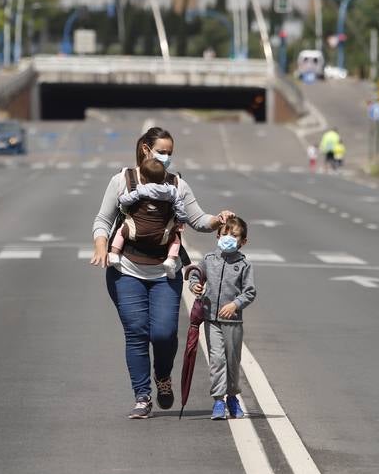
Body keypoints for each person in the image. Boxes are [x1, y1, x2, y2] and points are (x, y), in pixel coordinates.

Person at [91, 126, 232, 420]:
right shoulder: (122, 180)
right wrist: (101, 244)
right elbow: (103, 218)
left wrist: (217, 220)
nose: (167, 157)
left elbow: (198, 220)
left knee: (165, 333)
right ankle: (142, 396)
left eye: (170, 152)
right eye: (162, 151)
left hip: (164, 273)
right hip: (125, 270)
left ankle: (163, 376)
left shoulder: (177, 185)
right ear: (146, 149)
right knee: (137, 332)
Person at [188, 215, 256, 420]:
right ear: (217, 236)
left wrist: (235, 304)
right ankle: (218, 400)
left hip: (233, 322)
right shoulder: (209, 259)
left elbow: (250, 292)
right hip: (212, 320)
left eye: (234, 236)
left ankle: (233, 397)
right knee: (217, 360)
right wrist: (195, 285)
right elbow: (195, 275)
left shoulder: (244, 265)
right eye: (224, 234)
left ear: (243, 242)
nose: (228, 238)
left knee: (232, 361)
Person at [108, 156, 187, 277]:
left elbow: (126, 200)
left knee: (121, 231)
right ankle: (171, 260)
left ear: (143, 179)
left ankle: (114, 253)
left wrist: (120, 199)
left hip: (136, 231)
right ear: (164, 176)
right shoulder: (171, 191)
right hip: (161, 235)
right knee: (175, 239)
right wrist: (181, 219)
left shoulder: (142, 190)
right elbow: (180, 205)